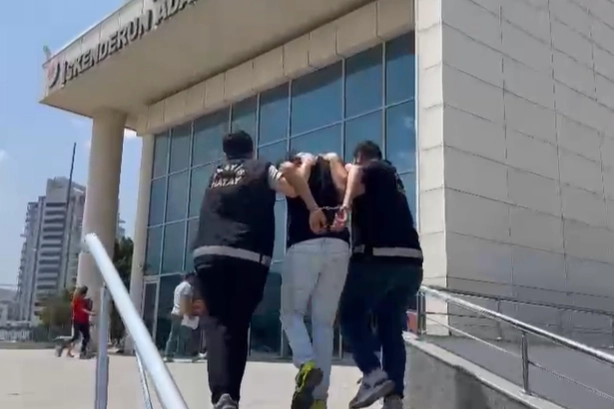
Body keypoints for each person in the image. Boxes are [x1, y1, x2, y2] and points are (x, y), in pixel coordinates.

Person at [192, 130, 326, 409]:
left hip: (208, 254)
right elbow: (291, 189)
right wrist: (305, 166)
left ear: (226, 153)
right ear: (251, 150)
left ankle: (223, 396)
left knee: (216, 326)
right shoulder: (262, 168)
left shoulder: (215, 174)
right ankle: (230, 397)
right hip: (248, 256)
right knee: (238, 325)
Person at [336, 141, 424, 409]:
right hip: (411, 264)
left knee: (350, 314)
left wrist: (345, 200)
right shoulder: (392, 178)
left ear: (360, 157)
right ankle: (394, 397)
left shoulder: (372, 168)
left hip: (378, 257)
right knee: (390, 327)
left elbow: (353, 174)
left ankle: (373, 373)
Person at [278, 152, 350, 409]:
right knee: (324, 325)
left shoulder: (295, 170)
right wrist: (334, 161)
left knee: (291, 313)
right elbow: (345, 187)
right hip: (339, 247)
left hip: (304, 244)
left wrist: (305, 163)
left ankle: (306, 363)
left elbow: (292, 181)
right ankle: (319, 400)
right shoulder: (331, 171)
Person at [164, 272, 196, 362]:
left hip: (175, 311)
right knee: (183, 335)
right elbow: (185, 299)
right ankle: (180, 353)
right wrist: (188, 314)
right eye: (193, 278)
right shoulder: (187, 286)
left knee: (174, 334)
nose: (194, 280)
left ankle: (169, 353)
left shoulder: (178, 287)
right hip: (181, 313)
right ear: (190, 278)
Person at [59, 286, 94, 359]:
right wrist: (90, 313)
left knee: (87, 337)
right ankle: (62, 345)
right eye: (83, 295)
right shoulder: (76, 301)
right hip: (77, 321)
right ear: (81, 294)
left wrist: (90, 304)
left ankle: (83, 352)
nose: (84, 296)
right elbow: (82, 309)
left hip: (85, 322)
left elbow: (87, 308)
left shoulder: (84, 301)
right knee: (75, 337)